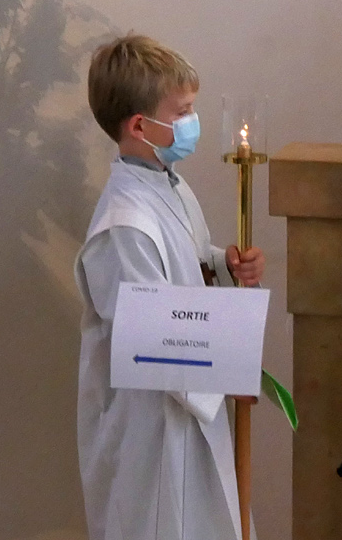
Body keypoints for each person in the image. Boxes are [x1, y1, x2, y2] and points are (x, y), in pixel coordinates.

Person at [75, 35, 265, 540]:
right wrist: (226, 372)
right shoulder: (124, 225)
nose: (191, 122)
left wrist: (224, 263)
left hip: (187, 407)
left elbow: (186, 264)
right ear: (140, 126)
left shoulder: (168, 184)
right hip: (154, 425)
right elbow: (152, 340)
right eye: (182, 112)